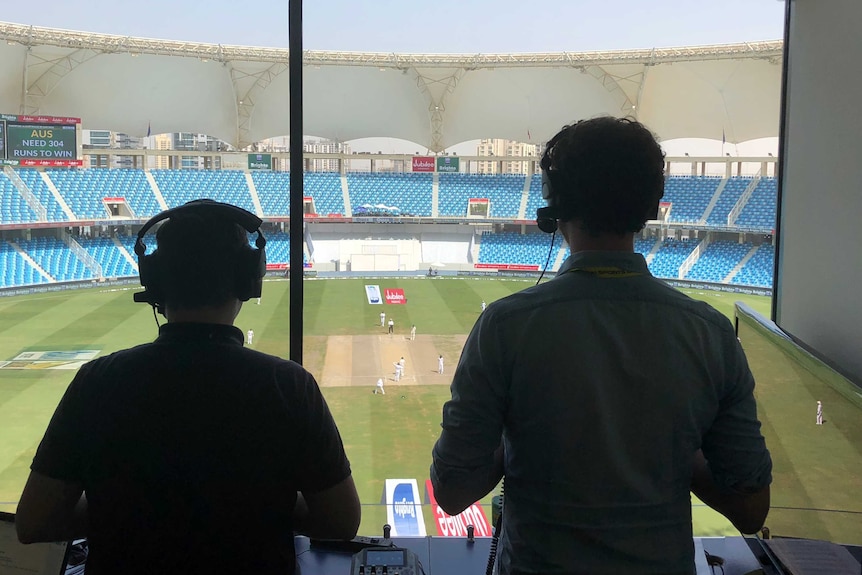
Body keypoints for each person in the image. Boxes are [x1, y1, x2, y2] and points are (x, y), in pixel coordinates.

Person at [430, 118, 772, 575]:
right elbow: (751, 510)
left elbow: (451, 491)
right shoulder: (710, 334)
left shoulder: (505, 327)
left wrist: (523, 445)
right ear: (650, 204)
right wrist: (670, 447)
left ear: (554, 206)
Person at [15, 200, 360, 575]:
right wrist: (260, 502)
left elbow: (35, 522)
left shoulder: (96, 381)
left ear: (155, 281)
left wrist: (125, 504)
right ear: (249, 280)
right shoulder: (289, 386)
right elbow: (341, 522)